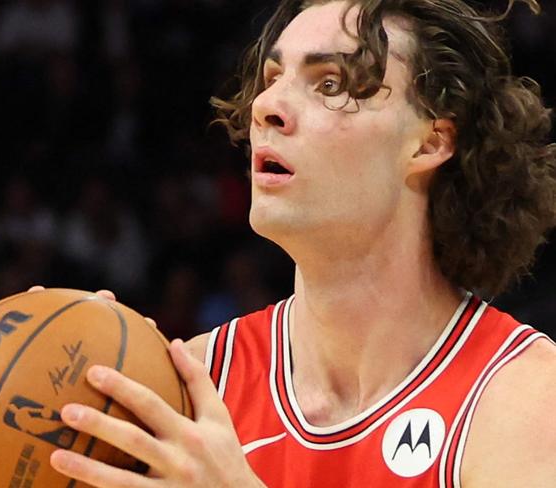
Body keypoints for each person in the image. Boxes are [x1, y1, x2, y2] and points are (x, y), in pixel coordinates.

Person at [45, 0, 556, 486]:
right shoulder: (194, 387)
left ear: (429, 141)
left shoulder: (521, 395)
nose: (266, 105)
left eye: (329, 83)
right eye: (272, 78)